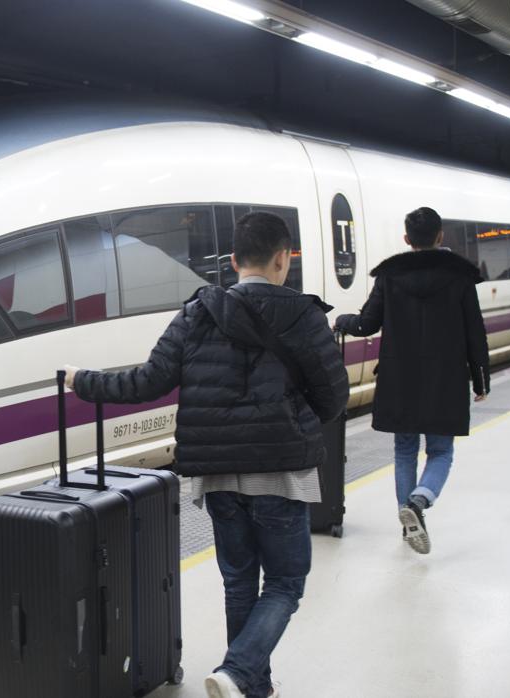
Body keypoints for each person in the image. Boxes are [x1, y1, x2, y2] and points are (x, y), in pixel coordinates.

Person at [65, 212, 347, 698]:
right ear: (284, 260)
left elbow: (147, 381)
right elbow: (334, 399)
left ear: (234, 261)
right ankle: (239, 671)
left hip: (215, 474)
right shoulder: (303, 315)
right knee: (285, 583)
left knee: (239, 584)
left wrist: (81, 380)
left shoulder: (197, 312)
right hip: (279, 473)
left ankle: (251, 687)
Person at [334, 206, 489, 554]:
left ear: (407, 240)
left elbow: (367, 324)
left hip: (400, 379)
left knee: (404, 452)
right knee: (441, 452)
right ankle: (418, 503)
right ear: (440, 237)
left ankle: (408, 523)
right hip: (445, 380)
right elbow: (474, 331)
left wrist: (342, 321)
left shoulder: (389, 276)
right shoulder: (460, 276)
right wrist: (481, 381)